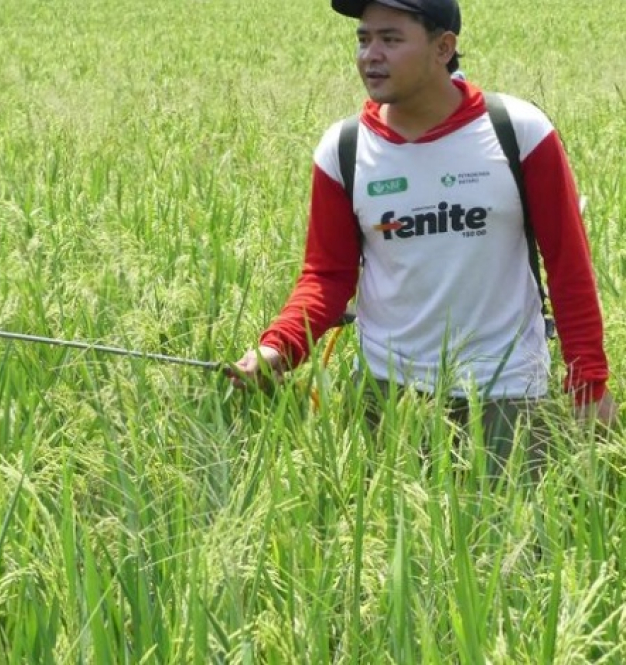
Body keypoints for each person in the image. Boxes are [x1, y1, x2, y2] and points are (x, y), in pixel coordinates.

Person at [229, 0, 617, 467]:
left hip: (505, 396)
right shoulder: (345, 149)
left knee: (508, 539)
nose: (370, 55)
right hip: (385, 397)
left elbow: (568, 266)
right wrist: (278, 348)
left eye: (390, 39)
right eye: (363, 39)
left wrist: (588, 386)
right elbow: (327, 276)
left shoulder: (518, 132)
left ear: (443, 47)